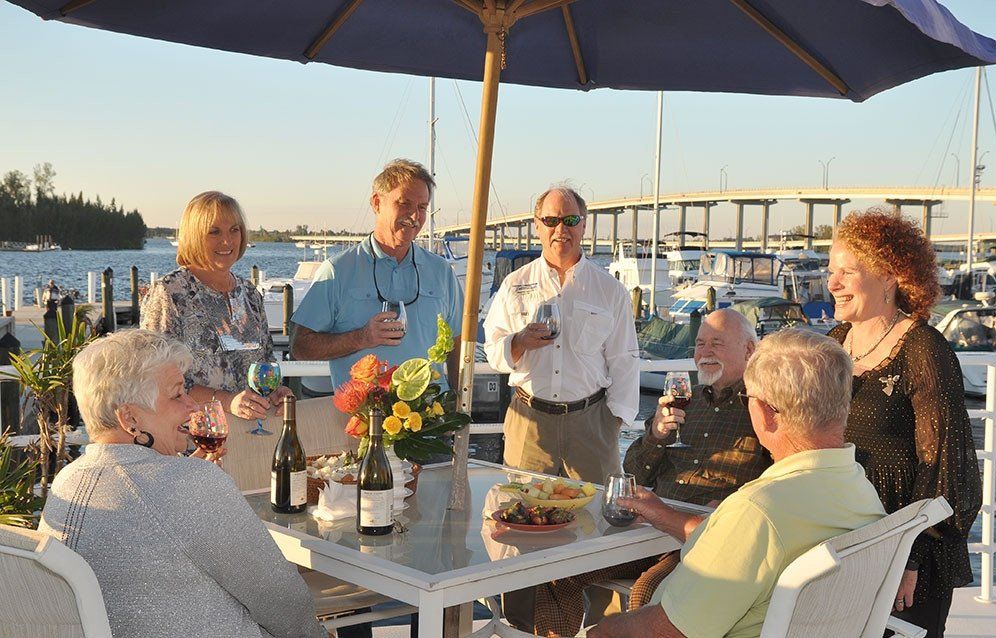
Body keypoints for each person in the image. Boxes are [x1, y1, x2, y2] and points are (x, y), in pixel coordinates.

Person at [588, 328, 887, 638]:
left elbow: (668, 632)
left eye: (750, 397)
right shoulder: (859, 489)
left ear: (766, 415)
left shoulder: (757, 511)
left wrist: (601, 631)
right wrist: (666, 516)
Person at [39, 330, 324, 638]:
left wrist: (185, 480)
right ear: (129, 417)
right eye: (177, 395)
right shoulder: (188, 485)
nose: (192, 406)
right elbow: (281, 600)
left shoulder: (66, 483)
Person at [525, 309, 770, 637]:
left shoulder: (763, 409)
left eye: (717, 343)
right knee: (558, 574)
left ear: (750, 350)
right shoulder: (684, 402)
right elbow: (634, 472)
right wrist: (655, 435)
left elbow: (776, 481)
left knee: (647, 595)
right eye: (699, 344)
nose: (705, 352)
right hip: (646, 533)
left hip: (702, 538)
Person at [827, 208, 982, 638]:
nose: (832, 283)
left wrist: (908, 557)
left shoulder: (924, 351)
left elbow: (947, 470)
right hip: (842, 541)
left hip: (907, 556)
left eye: (846, 272)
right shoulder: (834, 344)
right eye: (830, 271)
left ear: (890, 276)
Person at [483, 185, 639, 483]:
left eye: (570, 220)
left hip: (591, 422)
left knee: (595, 516)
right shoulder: (514, 285)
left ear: (584, 224)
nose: (561, 230)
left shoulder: (610, 290)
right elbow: (492, 351)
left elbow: (624, 360)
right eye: (551, 221)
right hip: (529, 422)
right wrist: (519, 342)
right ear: (537, 225)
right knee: (525, 513)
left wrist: (613, 422)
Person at [290, 159, 463, 389]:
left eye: (422, 207)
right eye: (404, 203)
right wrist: (361, 337)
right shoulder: (338, 270)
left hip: (431, 419)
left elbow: (458, 343)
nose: (414, 216)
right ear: (376, 203)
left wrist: (457, 404)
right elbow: (300, 347)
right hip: (363, 419)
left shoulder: (442, 272)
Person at [141, 191, 289, 421]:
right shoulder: (170, 292)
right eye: (214, 232)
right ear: (193, 236)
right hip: (192, 440)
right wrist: (228, 401)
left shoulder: (249, 293)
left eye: (234, 230)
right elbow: (157, 377)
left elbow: (265, 363)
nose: (227, 241)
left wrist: (275, 392)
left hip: (249, 436)